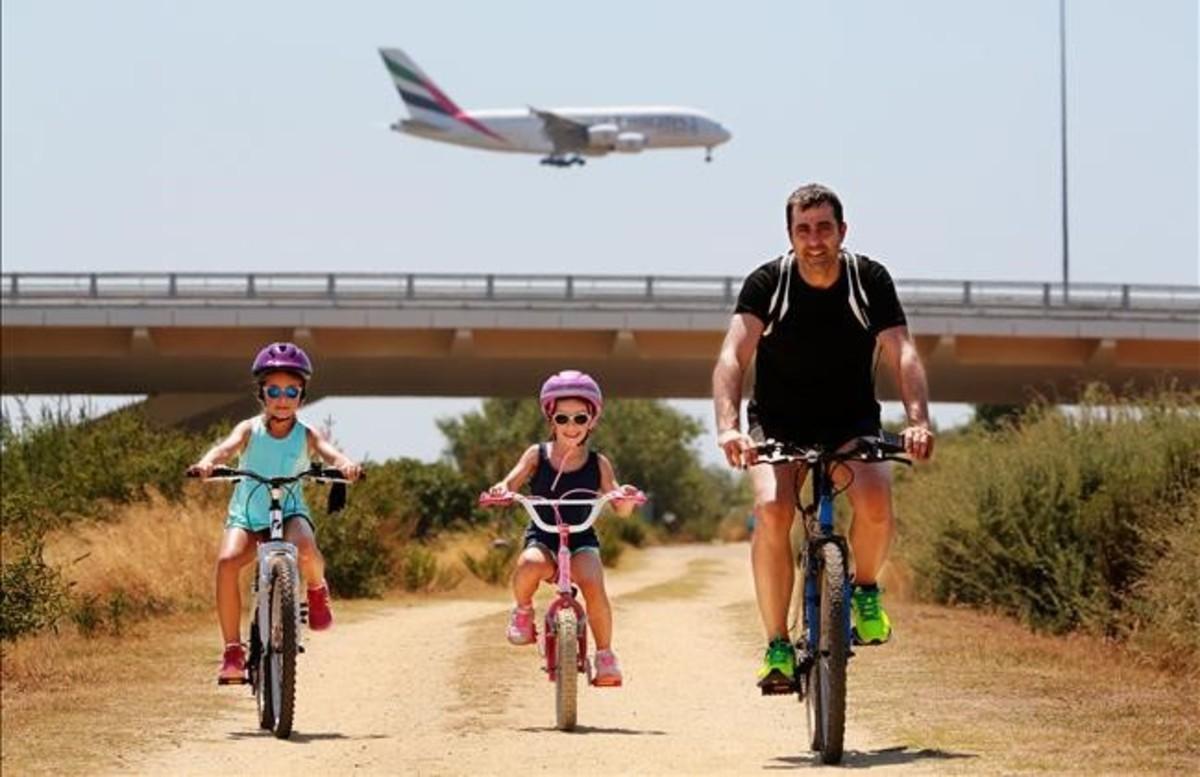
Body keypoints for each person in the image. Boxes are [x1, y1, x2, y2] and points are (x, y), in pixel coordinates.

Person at [711, 183, 934, 691]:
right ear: (790, 236)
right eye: (803, 230)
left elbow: (902, 352)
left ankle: (866, 589)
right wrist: (728, 428)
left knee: (875, 501)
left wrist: (917, 419)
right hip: (779, 421)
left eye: (824, 228)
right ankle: (777, 646)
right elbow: (732, 357)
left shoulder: (868, 279)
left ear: (842, 231)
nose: (815, 240)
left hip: (850, 420)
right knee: (772, 509)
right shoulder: (768, 283)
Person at [190, 342, 363, 684]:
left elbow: (330, 454)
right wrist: (209, 463)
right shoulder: (249, 429)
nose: (282, 398)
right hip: (248, 514)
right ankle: (233, 651)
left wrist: (345, 465)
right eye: (274, 390)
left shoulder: (306, 434)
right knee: (226, 563)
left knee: (307, 547)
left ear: (302, 395)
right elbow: (225, 447)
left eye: (291, 391)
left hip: (289, 513)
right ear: (261, 393)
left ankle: (316, 590)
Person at [488, 370, 640, 687]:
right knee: (529, 564)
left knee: (594, 586)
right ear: (550, 420)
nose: (571, 426)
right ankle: (523, 611)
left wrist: (624, 497)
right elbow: (511, 481)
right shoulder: (536, 455)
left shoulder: (599, 463)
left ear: (592, 421)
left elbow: (618, 504)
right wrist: (501, 490)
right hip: (543, 535)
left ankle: (605, 655)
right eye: (562, 418)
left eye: (580, 418)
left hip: (581, 537)